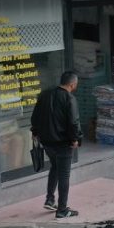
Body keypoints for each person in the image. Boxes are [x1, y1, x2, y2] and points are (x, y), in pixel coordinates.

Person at [31, 71, 83, 218]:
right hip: (63, 143)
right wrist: (75, 139)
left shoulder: (45, 94)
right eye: (75, 85)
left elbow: (34, 117)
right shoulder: (69, 98)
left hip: (47, 142)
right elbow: (73, 122)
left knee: (55, 167)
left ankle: (49, 199)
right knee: (64, 175)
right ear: (72, 84)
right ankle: (62, 209)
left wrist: (35, 132)